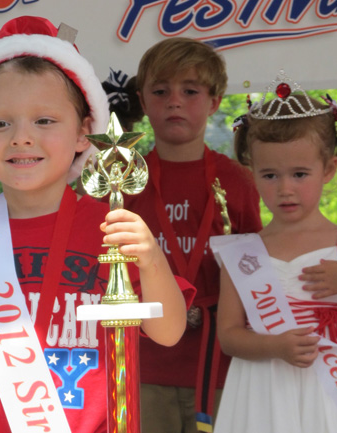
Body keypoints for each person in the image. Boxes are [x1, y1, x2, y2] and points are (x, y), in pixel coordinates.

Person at [0, 16, 196, 433]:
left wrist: (153, 261)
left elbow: (169, 332)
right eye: (0, 123)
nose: (21, 137)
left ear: (85, 133)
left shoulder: (113, 229)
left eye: (44, 121)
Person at [213, 71, 337, 433]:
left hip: (333, 391)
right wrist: (274, 347)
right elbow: (229, 335)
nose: (285, 188)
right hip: (265, 387)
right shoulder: (242, 252)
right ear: (251, 173)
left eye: (299, 174)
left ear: (329, 169)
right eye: (270, 175)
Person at [127, 37, 263, 432]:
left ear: (215, 101)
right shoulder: (121, 179)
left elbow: (254, 270)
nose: (174, 101)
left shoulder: (239, 181)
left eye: (190, 90)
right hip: (143, 361)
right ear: (142, 99)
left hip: (219, 361)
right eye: (160, 91)